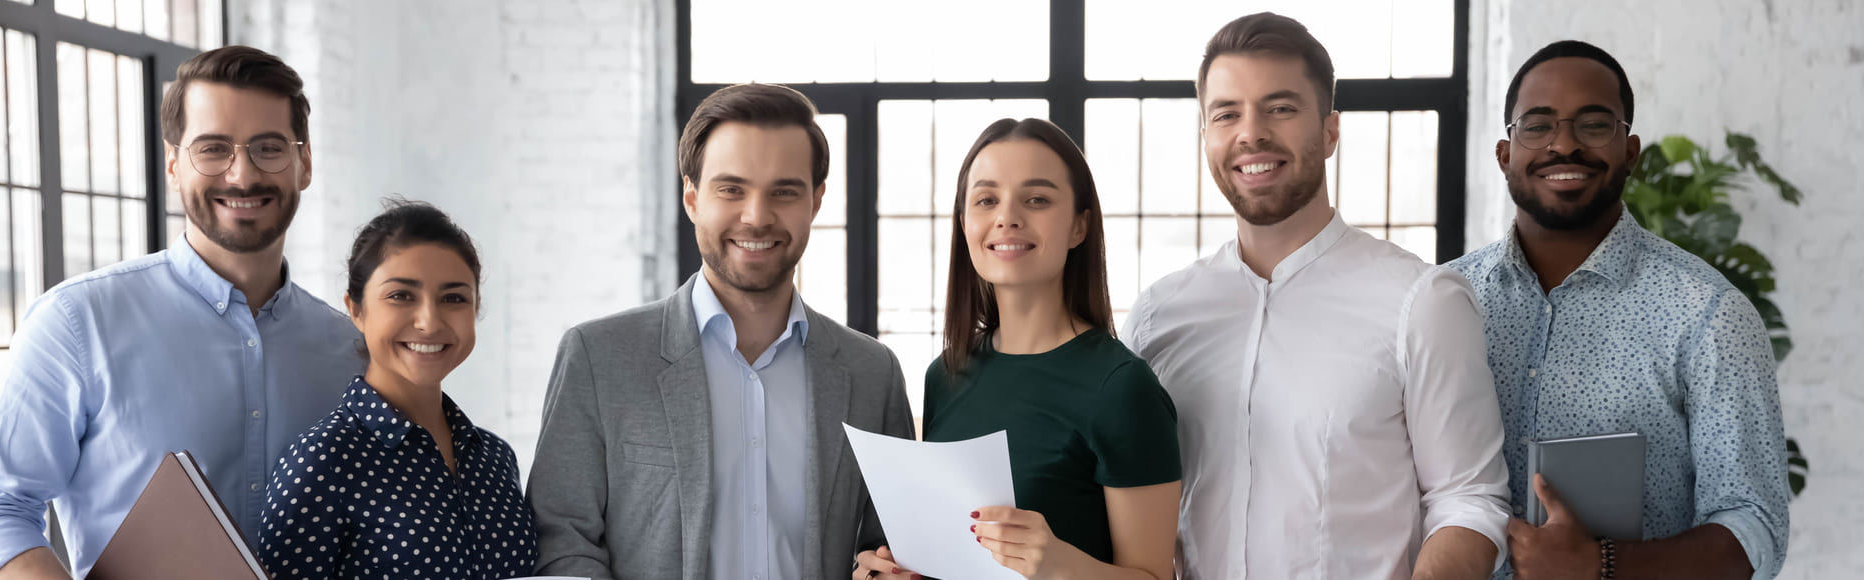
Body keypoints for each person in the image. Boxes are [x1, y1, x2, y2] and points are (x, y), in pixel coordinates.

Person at [1123, 13, 1511, 579]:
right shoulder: (1159, 316)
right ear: (1205, 136)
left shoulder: (1422, 301)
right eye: (1226, 113)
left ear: (1330, 131)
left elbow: (1470, 499)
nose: (1250, 133)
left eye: (1280, 109)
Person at [0, 46, 363, 579]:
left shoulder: (348, 350)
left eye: (269, 148)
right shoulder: (77, 322)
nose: (242, 174)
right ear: (175, 165)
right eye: (213, 149)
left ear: (305, 164)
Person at [527, 83, 915, 579]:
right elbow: (562, 541)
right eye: (731, 189)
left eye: (784, 191)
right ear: (691, 197)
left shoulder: (872, 373)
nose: (756, 216)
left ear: (816, 201)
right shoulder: (597, 357)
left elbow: (890, 545)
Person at [1446, 40, 1790, 580]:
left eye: (1593, 124)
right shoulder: (1447, 299)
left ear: (1630, 151)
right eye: (1536, 125)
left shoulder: (1707, 314)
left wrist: (1601, 565)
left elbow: (1755, 528)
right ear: (1504, 154)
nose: (1564, 144)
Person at [855, 118, 1182, 580]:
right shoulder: (945, 375)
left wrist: (1060, 565)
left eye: (1037, 199)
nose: (1007, 217)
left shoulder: (1122, 389)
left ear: (1079, 226)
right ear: (965, 223)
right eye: (987, 200)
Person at [257, 200, 536, 578]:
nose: (429, 321)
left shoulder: (496, 459)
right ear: (356, 310)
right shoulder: (322, 462)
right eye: (401, 296)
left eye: (453, 298)